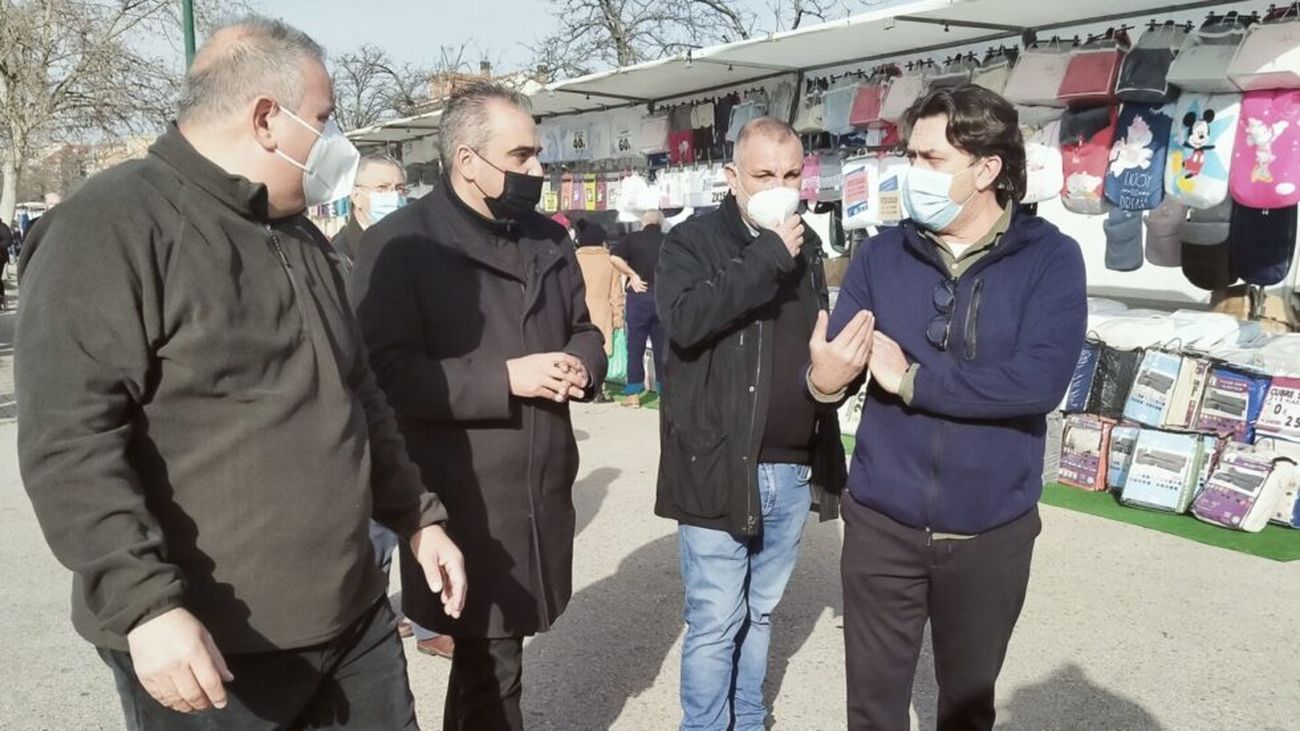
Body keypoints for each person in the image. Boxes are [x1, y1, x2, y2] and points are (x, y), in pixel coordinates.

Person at [14, 17, 466, 730]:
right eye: (322, 118)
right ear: (266, 120)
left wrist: (417, 517)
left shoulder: (302, 235)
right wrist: (146, 605)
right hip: (211, 646)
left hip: (353, 620)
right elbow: (69, 443)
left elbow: (358, 393)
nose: (333, 140)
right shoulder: (108, 227)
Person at [809, 85, 1087, 730]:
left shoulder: (1050, 258)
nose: (913, 173)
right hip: (881, 525)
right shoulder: (880, 254)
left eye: (931, 159)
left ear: (986, 168)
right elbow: (838, 371)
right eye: (911, 155)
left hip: (989, 533)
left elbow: (1036, 383)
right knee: (873, 711)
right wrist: (823, 381)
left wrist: (912, 382)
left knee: (966, 707)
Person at [351, 81, 607, 731]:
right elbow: (386, 375)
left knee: (489, 662)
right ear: (468, 161)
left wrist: (585, 362)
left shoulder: (549, 240)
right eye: (521, 156)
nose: (537, 170)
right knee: (492, 668)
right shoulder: (402, 246)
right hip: (461, 499)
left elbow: (584, 327)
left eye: (537, 154)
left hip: (540, 487)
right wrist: (506, 377)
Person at [654, 116, 850, 731]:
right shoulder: (690, 242)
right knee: (716, 618)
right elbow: (685, 322)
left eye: (791, 173)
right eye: (764, 174)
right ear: (732, 177)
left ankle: (747, 715)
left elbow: (810, 341)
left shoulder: (809, 247)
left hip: (791, 466)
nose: (780, 186)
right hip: (716, 460)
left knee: (760, 613)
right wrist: (768, 253)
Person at [611, 209, 666, 406]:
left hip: (638, 297)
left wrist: (632, 275)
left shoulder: (632, 239)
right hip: (661, 298)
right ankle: (663, 395)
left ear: (643, 223)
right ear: (661, 224)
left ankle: (633, 395)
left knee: (635, 347)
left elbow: (614, 257)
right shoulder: (668, 240)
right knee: (662, 348)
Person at [573, 218, 622, 404]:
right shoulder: (609, 261)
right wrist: (618, 318)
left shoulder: (572, 259)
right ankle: (598, 390)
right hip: (602, 310)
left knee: (576, 347)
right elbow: (616, 294)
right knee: (600, 350)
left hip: (577, 308)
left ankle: (578, 385)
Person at [332, 154, 408, 270]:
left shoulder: (414, 243)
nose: (394, 195)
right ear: (356, 197)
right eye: (382, 187)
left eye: (399, 188)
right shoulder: (340, 256)